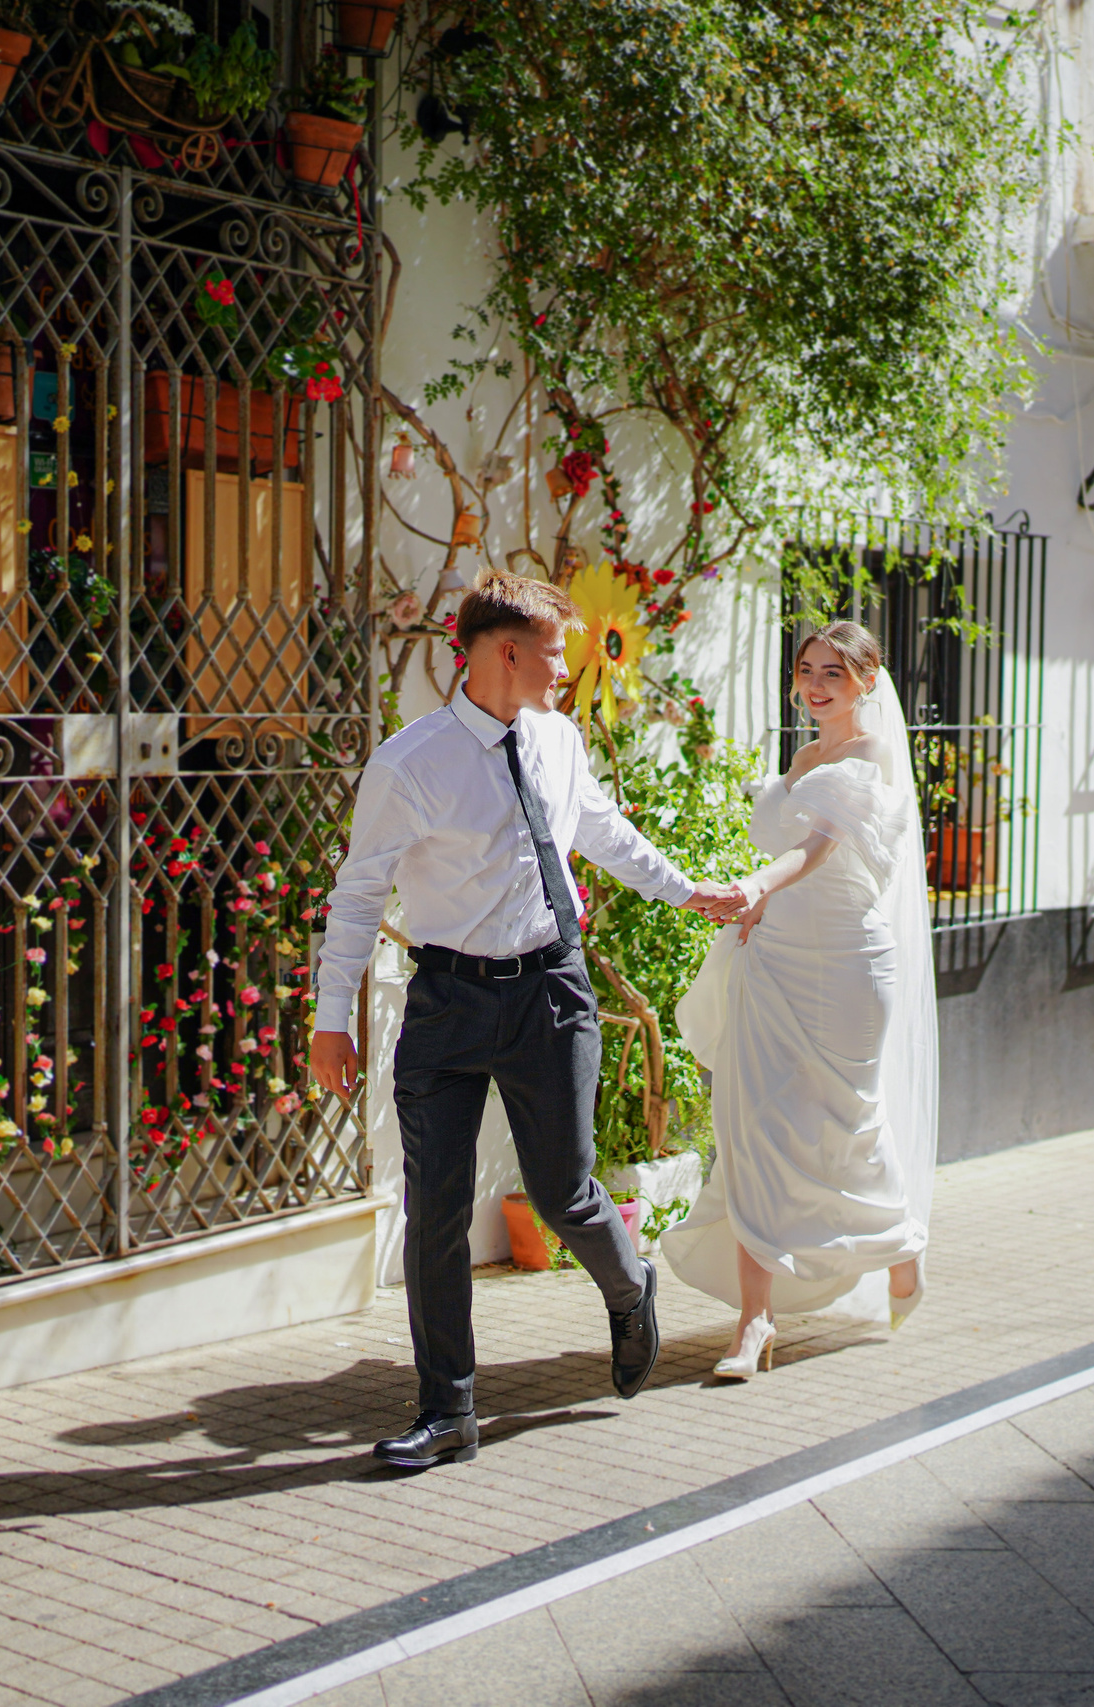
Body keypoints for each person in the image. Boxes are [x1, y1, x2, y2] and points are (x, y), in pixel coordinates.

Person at [310, 574, 746, 1468]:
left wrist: (685, 889)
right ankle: (449, 1409)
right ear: (504, 651)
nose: (567, 665)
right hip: (446, 1002)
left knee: (563, 1190)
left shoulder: (557, 738)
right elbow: (357, 898)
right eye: (556, 649)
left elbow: (600, 830)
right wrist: (331, 1021)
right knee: (431, 1207)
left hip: (550, 988)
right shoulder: (408, 765)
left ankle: (631, 1288)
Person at [664, 621, 934, 1381]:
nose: (815, 686)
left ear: (867, 684)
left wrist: (756, 885)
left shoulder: (875, 758)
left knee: (846, 1123)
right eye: (807, 670)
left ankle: (900, 1242)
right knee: (752, 1125)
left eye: (834, 675)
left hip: (850, 966)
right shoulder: (806, 755)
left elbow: (817, 847)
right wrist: (758, 903)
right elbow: (790, 849)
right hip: (775, 959)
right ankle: (755, 1320)